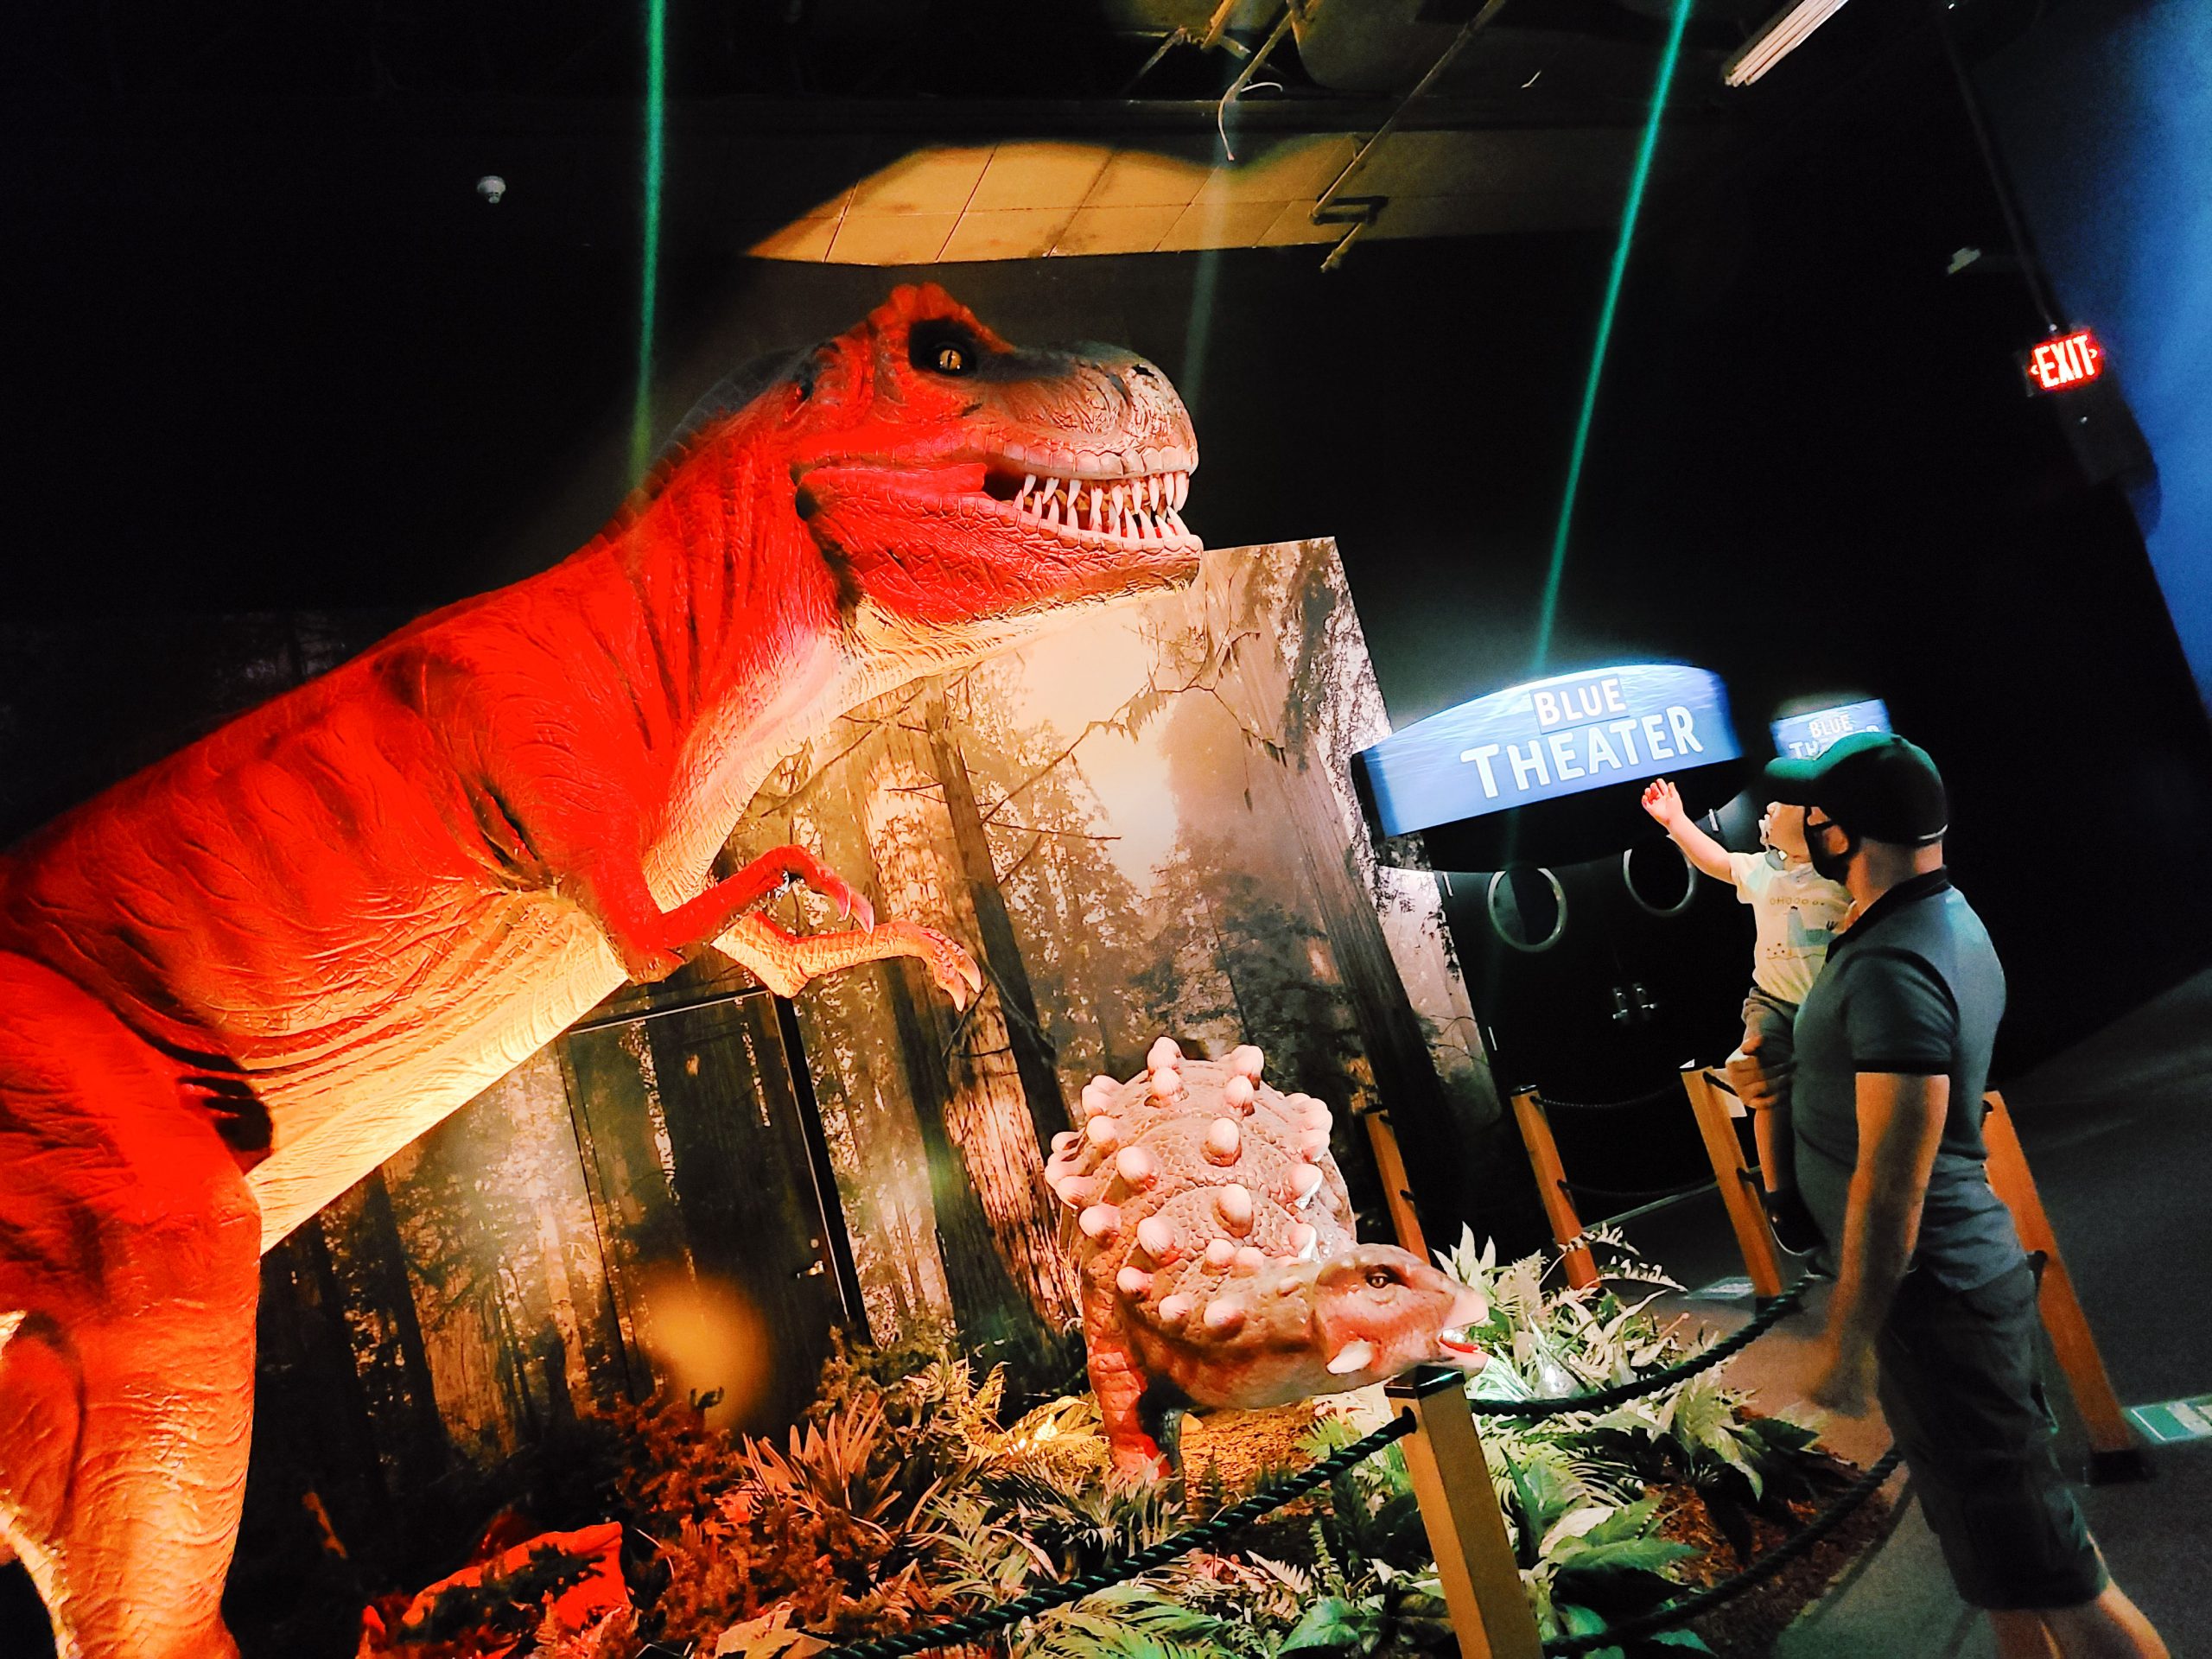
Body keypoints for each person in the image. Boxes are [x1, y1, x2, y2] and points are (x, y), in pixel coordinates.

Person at [1738, 732, 2166, 1658]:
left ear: (1838, 835)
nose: (1783, 825)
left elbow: (1897, 1180)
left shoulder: (1896, 962)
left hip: (1938, 1299)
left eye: (1803, 815)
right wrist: (1786, 1083)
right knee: (2003, 1569)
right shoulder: (1923, 920)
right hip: (1939, 1299)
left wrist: (1847, 1343)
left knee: (2061, 1573)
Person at [1640, 778, 1849, 1248]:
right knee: (1763, 1081)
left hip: (1833, 1004)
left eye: (1783, 805)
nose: (1770, 806)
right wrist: (1675, 820)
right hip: (1774, 1001)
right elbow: (1715, 860)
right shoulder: (1765, 872)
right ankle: (1781, 1197)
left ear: (1817, 825)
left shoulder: (1842, 877)